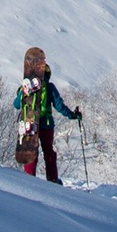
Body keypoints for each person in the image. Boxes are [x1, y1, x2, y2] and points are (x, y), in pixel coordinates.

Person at [12, 46, 83, 183]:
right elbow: (60, 106)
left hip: (29, 123)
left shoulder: (26, 87)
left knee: (30, 151)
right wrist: (72, 115)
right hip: (47, 125)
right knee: (48, 152)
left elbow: (16, 105)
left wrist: (22, 93)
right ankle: (52, 179)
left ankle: (29, 178)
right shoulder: (50, 88)